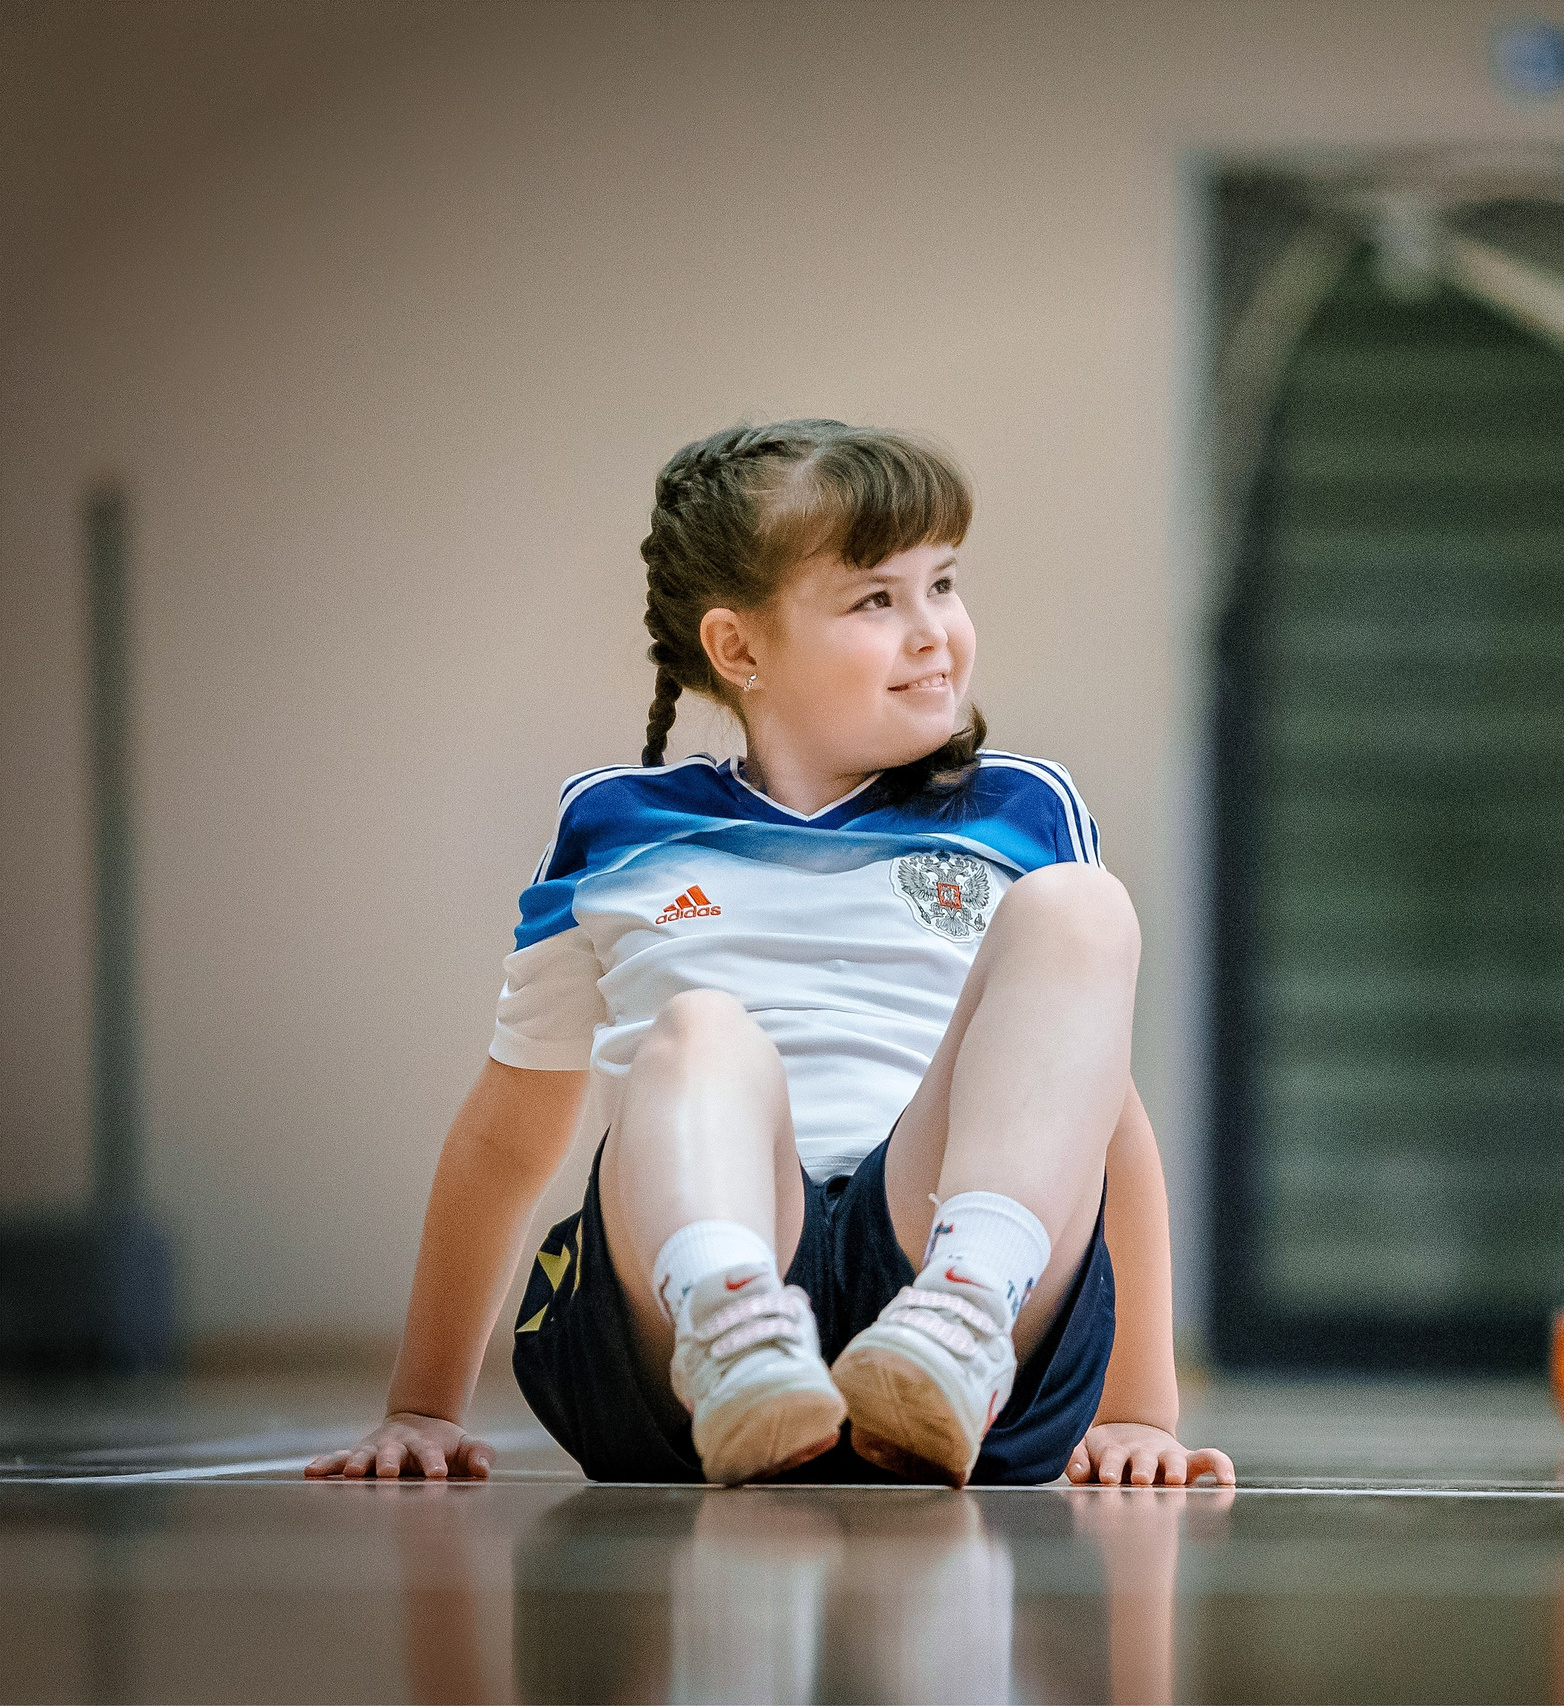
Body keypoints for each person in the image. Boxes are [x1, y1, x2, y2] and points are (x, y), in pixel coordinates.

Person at [307, 421, 1231, 1490]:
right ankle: (735, 1332)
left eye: (943, 583)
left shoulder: (1022, 809)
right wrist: (418, 1405)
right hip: (683, 1312)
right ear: (738, 648)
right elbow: (509, 1140)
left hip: (942, 1262)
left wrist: (1140, 1413)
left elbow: (1101, 1118)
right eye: (876, 599)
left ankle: (962, 1317)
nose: (932, 631)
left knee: (1083, 906)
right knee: (699, 1027)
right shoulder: (616, 828)